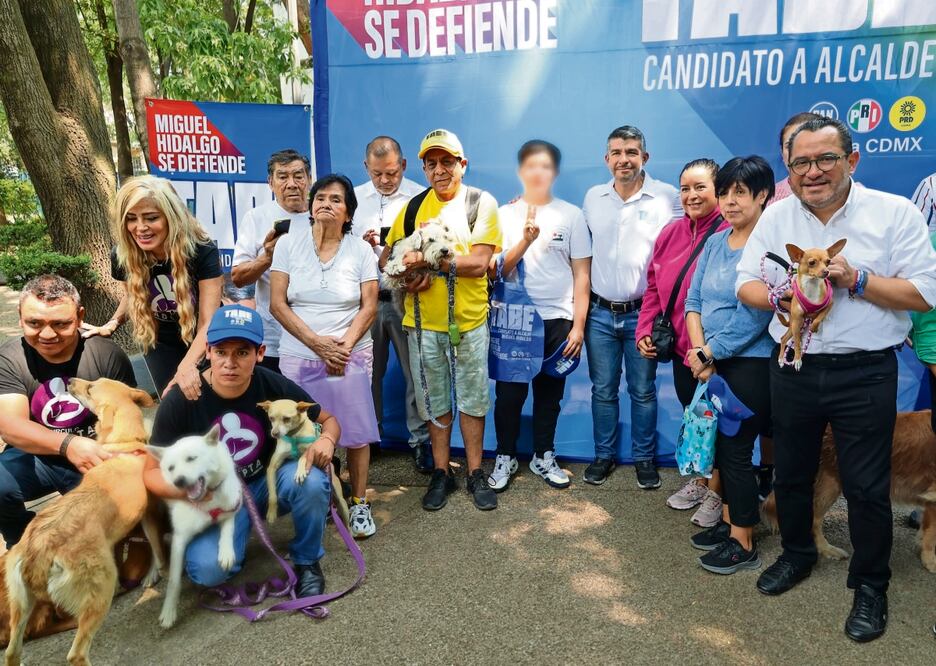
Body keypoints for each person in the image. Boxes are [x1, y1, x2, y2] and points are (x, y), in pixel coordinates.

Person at [737, 117, 936, 642]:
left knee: (868, 486)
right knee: (795, 472)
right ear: (790, 168)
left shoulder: (894, 213)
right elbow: (745, 284)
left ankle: (870, 584)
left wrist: (859, 279)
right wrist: (778, 297)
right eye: (800, 162)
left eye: (825, 159)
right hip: (795, 365)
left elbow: (923, 293)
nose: (813, 172)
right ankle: (798, 555)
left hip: (865, 370)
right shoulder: (777, 216)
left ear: (852, 161)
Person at [145, 305, 338, 596]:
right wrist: (186, 491)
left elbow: (329, 420)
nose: (230, 363)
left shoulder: (270, 383)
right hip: (215, 497)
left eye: (242, 352)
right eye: (221, 351)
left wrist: (327, 441)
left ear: (260, 353)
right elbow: (149, 472)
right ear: (207, 351)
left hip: (265, 482)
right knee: (208, 572)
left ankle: (307, 561)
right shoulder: (181, 399)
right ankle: (213, 539)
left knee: (311, 481)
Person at [380, 128, 502, 512]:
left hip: (468, 322)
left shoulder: (481, 203)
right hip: (420, 324)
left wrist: (427, 262)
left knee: (473, 399)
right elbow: (387, 258)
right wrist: (404, 274)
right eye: (431, 163)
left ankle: (476, 472)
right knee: (433, 401)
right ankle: (440, 471)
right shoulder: (414, 208)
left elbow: (480, 264)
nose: (439, 170)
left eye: (447, 161)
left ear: (462, 165)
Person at [270, 174, 380, 539]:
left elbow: (369, 306)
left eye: (336, 199)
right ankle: (316, 501)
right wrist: (317, 344)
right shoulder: (288, 245)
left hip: (349, 356)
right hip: (300, 354)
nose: (325, 204)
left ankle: (360, 502)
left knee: (355, 433)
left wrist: (343, 348)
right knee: (302, 432)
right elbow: (277, 303)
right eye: (320, 197)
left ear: (348, 213)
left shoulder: (361, 251)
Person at [683, 156, 776, 574]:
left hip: (750, 366)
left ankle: (743, 540)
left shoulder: (769, 248)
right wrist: (700, 353)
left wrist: (711, 353)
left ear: (763, 196)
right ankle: (729, 523)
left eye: (741, 192)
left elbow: (756, 316)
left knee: (736, 452)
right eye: (724, 192)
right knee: (723, 450)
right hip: (710, 363)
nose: (730, 201)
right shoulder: (716, 241)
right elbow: (694, 301)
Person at [0, 275, 136, 546]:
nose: (47, 334)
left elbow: (127, 423)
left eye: (60, 323)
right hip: (38, 456)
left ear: (80, 315)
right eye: (34, 323)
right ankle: (24, 540)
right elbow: (9, 426)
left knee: (114, 540)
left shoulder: (105, 354)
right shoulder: (10, 358)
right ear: (20, 317)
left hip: (100, 456)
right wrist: (68, 444)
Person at [487, 140, 591, 492]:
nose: (538, 172)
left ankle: (544, 455)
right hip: (514, 318)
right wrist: (526, 241)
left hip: (558, 320)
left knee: (550, 395)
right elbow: (495, 270)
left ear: (554, 172)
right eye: (531, 165)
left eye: (545, 166)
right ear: (520, 171)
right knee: (510, 396)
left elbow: (582, 275)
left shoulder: (572, 215)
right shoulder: (503, 215)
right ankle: (505, 456)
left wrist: (578, 326)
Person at [581, 125, 681, 489]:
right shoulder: (593, 197)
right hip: (599, 314)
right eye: (617, 153)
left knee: (643, 390)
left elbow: (682, 246)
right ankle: (603, 456)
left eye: (632, 152)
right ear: (607, 159)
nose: (624, 159)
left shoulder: (667, 197)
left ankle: (644, 459)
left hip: (644, 315)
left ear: (645, 157)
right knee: (602, 390)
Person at [636, 158, 728, 511]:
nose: (691, 195)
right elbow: (654, 288)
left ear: (718, 190)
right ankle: (701, 482)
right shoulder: (670, 233)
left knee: (722, 425)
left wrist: (711, 351)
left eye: (700, 187)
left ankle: (719, 492)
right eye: (685, 188)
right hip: (681, 352)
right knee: (696, 419)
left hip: (718, 353)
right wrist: (645, 328)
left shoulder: (728, 233)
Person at [84, 175, 223, 400]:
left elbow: (210, 320)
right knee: (172, 403)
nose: (140, 228)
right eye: (131, 219)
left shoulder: (201, 250)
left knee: (204, 402)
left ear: (171, 217)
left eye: (151, 217)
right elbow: (133, 295)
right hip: (160, 339)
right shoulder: (122, 254)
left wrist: (186, 366)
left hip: (203, 337)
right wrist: (112, 323)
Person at [352, 137, 431, 472]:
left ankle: (421, 441)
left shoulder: (418, 198)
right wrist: (361, 245)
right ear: (366, 168)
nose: (385, 180)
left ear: (403, 166)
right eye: (377, 174)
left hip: (406, 296)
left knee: (417, 371)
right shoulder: (352, 199)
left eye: (391, 173)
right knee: (366, 373)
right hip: (363, 298)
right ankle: (370, 438)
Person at [231, 149, 314, 374]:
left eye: (298, 175)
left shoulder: (324, 216)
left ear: (309, 179)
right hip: (273, 338)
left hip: (318, 334)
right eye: (282, 176)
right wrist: (267, 258)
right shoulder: (257, 218)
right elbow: (238, 277)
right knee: (276, 406)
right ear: (270, 182)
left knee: (312, 406)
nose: (291, 184)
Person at [768, 112, 820, 206]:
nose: (799, 153)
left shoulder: (852, 194)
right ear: (782, 153)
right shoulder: (771, 199)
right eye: (790, 146)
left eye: (809, 144)